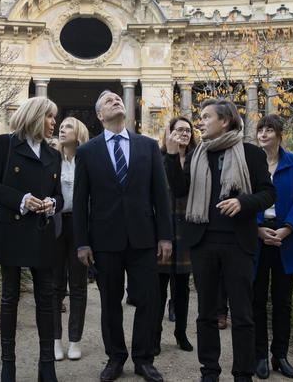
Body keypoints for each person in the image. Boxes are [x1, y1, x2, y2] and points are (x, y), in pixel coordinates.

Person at [164, 99, 276, 382]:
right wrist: (171, 154)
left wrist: (243, 202)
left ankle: (242, 374)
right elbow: (179, 190)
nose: (199, 122)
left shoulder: (250, 153)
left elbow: (268, 194)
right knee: (206, 314)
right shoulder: (197, 155)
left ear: (224, 121)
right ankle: (209, 372)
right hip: (203, 243)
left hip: (239, 243)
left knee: (242, 314)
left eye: (205, 117)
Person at [73, 90, 172, 382]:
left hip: (144, 238)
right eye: (107, 101)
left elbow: (160, 196)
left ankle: (144, 359)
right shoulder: (87, 151)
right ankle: (115, 357)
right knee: (110, 303)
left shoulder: (148, 146)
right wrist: (82, 242)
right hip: (104, 240)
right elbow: (80, 201)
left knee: (148, 300)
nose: (116, 101)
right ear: (100, 115)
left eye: (118, 99)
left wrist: (165, 236)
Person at [0, 96, 63, 382]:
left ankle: (47, 366)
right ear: (36, 116)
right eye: (50, 117)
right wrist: (22, 199)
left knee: (46, 299)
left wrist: (53, 202)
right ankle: (8, 366)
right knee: (9, 298)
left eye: (55, 117)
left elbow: (60, 195)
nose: (55, 123)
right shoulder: (5, 144)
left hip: (41, 232)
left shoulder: (54, 155)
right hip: (12, 230)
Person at [253, 114, 293, 380]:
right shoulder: (250, 162)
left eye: (269, 130)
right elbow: (239, 197)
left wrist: (286, 229)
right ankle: (260, 356)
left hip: (286, 237)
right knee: (256, 300)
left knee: (283, 302)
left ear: (279, 134)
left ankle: (280, 356)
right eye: (260, 130)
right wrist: (257, 229)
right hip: (256, 237)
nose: (263, 134)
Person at [155, 116, 197, 355]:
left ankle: (181, 333)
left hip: (186, 230)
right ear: (168, 132)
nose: (184, 133)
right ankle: (155, 335)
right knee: (159, 287)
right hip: (164, 228)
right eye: (179, 129)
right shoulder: (158, 159)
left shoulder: (195, 160)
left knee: (182, 289)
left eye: (188, 130)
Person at [53, 117, 90, 362]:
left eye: (67, 126)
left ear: (79, 133)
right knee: (54, 287)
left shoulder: (87, 160)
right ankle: (55, 340)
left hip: (80, 226)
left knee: (78, 286)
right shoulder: (51, 160)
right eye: (61, 127)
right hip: (55, 226)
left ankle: (75, 340)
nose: (61, 130)